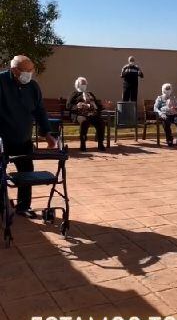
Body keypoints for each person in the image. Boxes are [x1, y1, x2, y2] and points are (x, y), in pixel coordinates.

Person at [0, 55, 57, 218]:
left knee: (27, 173)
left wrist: (47, 133)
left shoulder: (33, 86)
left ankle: (23, 207)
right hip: (2, 139)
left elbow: (40, 111)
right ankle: (1, 206)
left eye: (31, 71)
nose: (29, 74)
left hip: (23, 138)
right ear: (14, 70)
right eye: (26, 71)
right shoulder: (1, 82)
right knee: (0, 173)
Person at [66, 77, 105, 152]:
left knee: (101, 122)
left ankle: (100, 143)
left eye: (85, 84)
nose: (84, 85)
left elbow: (97, 105)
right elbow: (68, 105)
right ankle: (83, 143)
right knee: (84, 122)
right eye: (82, 84)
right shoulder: (74, 94)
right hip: (80, 114)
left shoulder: (90, 94)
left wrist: (103, 106)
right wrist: (77, 106)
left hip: (92, 114)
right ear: (77, 85)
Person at [154, 83, 177, 147]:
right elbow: (155, 108)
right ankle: (169, 139)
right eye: (167, 89)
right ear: (163, 90)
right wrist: (161, 114)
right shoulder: (160, 98)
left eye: (169, 89)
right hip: (165, 115)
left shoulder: (173, 98)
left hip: (173, 114)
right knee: (166, 121)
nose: (168, 91)